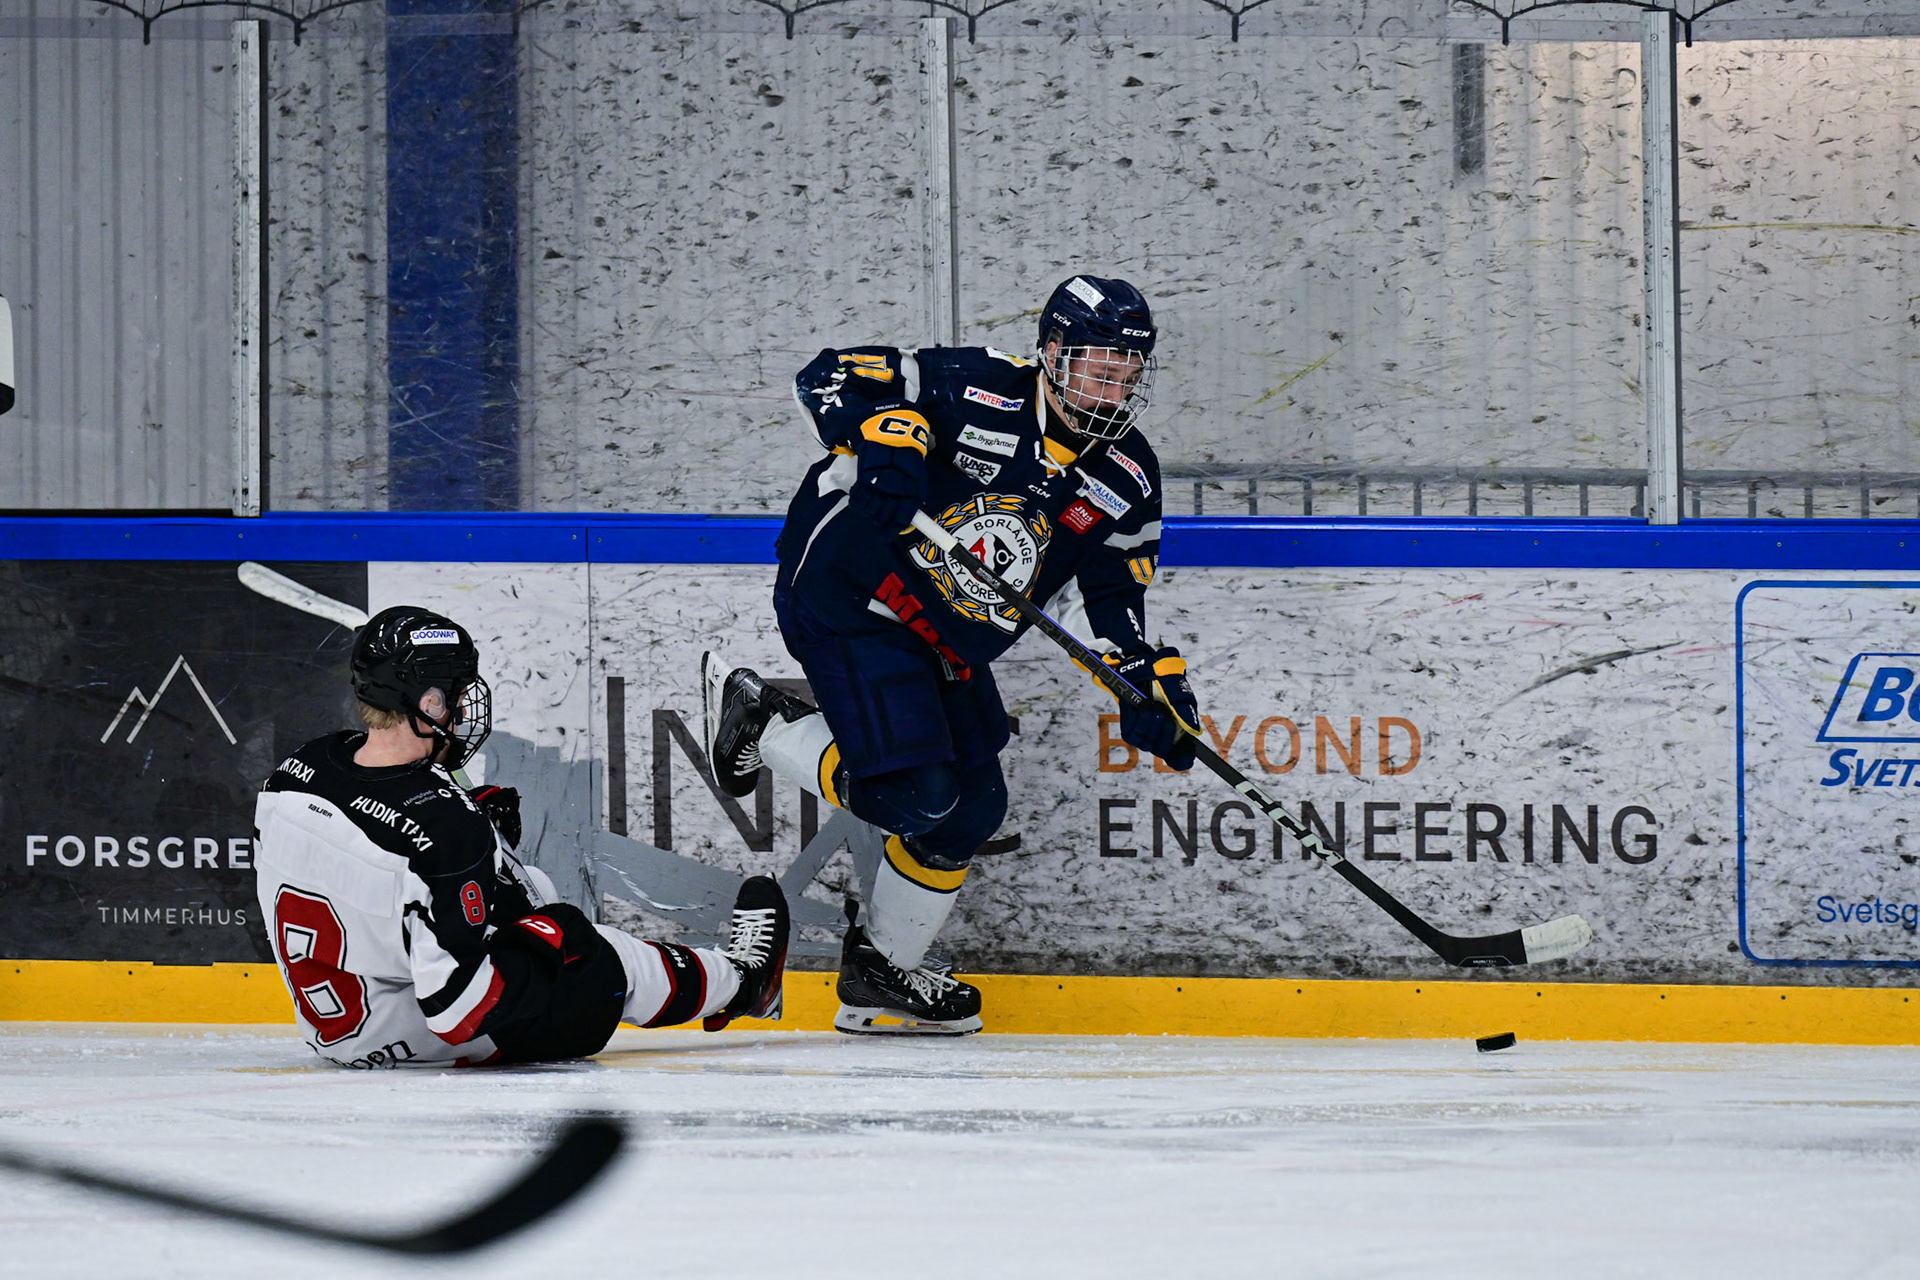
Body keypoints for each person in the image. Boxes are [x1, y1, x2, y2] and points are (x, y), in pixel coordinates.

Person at [704, 274, 1200, 1036]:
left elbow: (1109, 597)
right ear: (1054, 353)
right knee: (918, 795)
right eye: (1100, 368)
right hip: (852, 592)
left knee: (973, 807)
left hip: (944, 632)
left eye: (1128, 372)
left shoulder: (1128, 475)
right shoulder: (977, 386)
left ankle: (882, 968)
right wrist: (887, 434)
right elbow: (826, 380)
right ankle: (763, 720)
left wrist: (1140, 678)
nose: (1115, 389)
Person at [254, 605, 788, 1068]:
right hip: (424, 1039)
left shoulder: (299, 770)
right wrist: (549, 935)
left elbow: (371, 862)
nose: (464, 709)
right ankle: (747, 982)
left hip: (337, 1025)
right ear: (430, 703)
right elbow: (460, 1011)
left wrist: (477, 845)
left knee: (530, 881)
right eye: (456, 695)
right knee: (601, 953)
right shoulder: (445, 832)